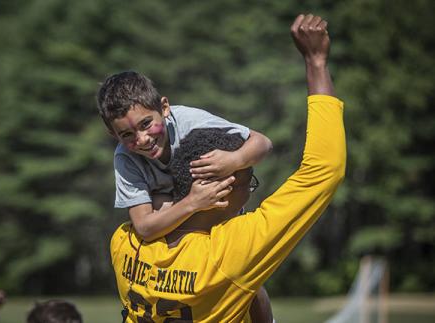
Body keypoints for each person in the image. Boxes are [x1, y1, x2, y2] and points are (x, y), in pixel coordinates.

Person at [110, 13, 346, 322]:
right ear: (222, 190)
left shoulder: (123, 242)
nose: (248, 193)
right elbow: (324, 170)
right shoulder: (229, 256)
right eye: (249, 182)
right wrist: (316, 63)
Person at [97, 34, 273, 322]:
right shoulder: (124, 158)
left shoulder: (191, 122)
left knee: (249, 278)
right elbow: (144, 226)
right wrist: (192, 202)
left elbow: (262, 143)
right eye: (127, 135)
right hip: (173, 224)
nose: (141, 139)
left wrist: (234, 160)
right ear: (113, 135)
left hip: (219, 214)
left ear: (164, 108)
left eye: (146, 124)